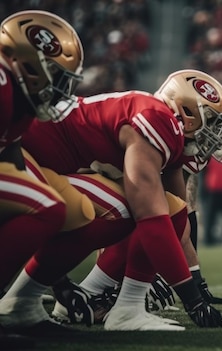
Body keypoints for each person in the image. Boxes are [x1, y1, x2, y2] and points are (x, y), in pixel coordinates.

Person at [0, 69, 222, 331]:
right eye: (213, 123)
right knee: (123, 209)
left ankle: (111, 302)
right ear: (187, 114)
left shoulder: (165, 133)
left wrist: (181, 274)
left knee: (163, 208)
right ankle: (51, 296)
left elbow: (176, 215)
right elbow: (151, 217)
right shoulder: (158, 120)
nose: (215, 135)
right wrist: (193, 301)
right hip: (22, 159)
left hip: (45, 166)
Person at [0, 9, 84, 337]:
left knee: (42, 205)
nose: (60, 88)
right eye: (56, 74)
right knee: (45, 206)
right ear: (29, 62)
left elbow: (15, 169)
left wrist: (59, 281)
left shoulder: (19, 102)